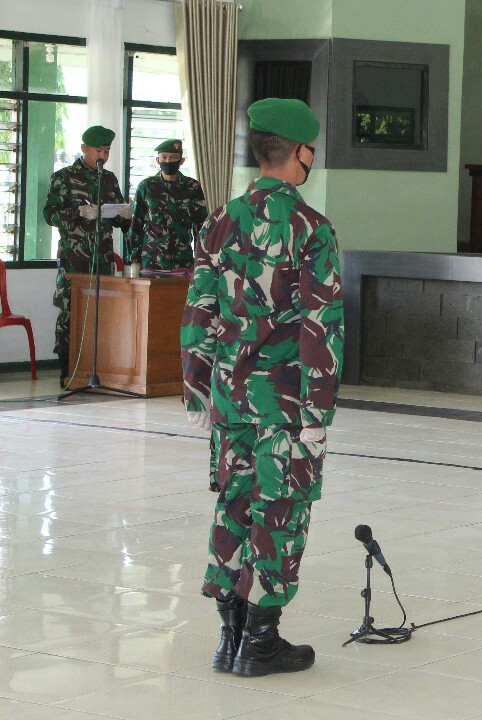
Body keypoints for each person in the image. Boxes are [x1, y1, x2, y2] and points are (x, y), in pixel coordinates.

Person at [181, 98, 343, 677]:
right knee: (281, 511)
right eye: (311, 151)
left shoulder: (220, 219)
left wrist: (196, 388)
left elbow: (199, 308)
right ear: (300, 152)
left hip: (229, 396)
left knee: (234, 505)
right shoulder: (311, 229)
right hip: (286, 403)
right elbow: (321, 327)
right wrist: (319, 410)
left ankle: (229, 639)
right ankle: (260, 640)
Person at [42, 125, 133, 386]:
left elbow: (120, 222)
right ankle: (67, 372)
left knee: (101, 315)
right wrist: (77, 212)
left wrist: (125, 215)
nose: (103, 155)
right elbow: (50, 215)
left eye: (107, 150)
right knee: (70, 314)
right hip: (74, 260)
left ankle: (98, 371)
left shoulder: (110, 179)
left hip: (102, 260)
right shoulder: (64, 177)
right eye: (98, 150)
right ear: (84, 149)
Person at [125, 139, 209, 270]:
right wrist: (134, 258)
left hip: (182, 260)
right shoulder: (146, 186)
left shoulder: (192, 187)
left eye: (173, 157)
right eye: (164, 157)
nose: (168, 161)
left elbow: (201, 226)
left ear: (181, 161)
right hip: (151, 260)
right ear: (157, 160)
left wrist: (201, 259)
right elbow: (136, 224)